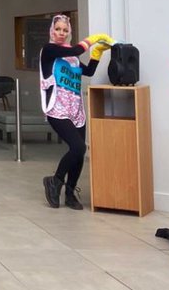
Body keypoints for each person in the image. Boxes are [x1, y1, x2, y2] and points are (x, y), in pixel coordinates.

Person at [39, 15, 113, 210]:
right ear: (52, 31)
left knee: (79, 153)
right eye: (58, 29)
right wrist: (92, 39)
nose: (61, 33)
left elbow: (87, 72)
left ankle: (70, 193)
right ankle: (54, 181)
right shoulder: (49, 50)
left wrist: (96, 54)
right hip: (57, 108)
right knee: (78, 147)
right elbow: (75, 48)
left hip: (76, 109)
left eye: (65, 30)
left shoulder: (72, 57)